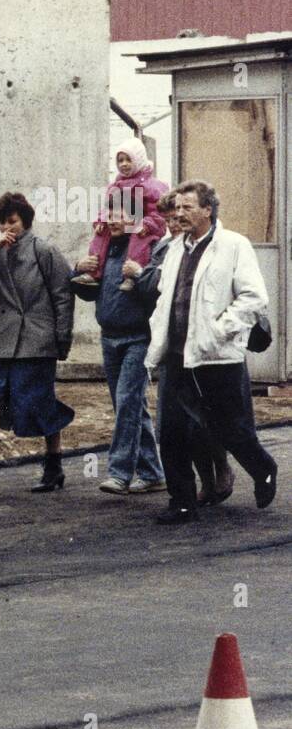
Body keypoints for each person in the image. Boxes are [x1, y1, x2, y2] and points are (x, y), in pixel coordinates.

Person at [142, 180, 276, 523]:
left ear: (207, 210)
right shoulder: (174, 248)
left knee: (230, 428)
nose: (180, 214)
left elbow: (254, 298)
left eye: (188, 208)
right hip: (177, 355)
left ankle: (263, 468)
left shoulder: (233, 245)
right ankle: (182, 502)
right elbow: (164, 297)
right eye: (178, 208)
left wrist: (219, 329)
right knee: (171, 432)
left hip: (216, 355)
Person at [0, 192, 75, 494]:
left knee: (40, 405)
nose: (7, 228)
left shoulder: (44, 250)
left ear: (24, 219)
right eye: (1, 223)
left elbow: (63, 296)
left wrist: (62, 340)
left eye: (12, 221)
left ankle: (54, 466)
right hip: (2, 340)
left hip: (37, 341)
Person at [132, 190, 234, 506]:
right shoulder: (166, 249)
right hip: (174, 349)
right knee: (173, 426)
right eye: (170, 220)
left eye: (180, 217)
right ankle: (191, 492)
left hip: (206, 350)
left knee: (204, 421)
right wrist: (145, 275)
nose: (175, 225)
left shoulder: (220, 246)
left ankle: (220, 470)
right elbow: (151, 290)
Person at [71, 195, 167, 494]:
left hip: (137, 338)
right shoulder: (103, 247)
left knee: (127, 402)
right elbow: (88, 293)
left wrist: (137, 276)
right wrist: (79, 269)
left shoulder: (146, 248)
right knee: (129, 406)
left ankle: (119, 473)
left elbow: (156, 291)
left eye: (120, 213)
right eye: (109, 212)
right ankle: (152, 472)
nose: (112, 219)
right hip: (108, 337)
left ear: (136, 218)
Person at [71, 137, 167, 291]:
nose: (124, 164)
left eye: (129, 159)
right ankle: (93, 271)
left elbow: (159, 211)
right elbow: (107, 209)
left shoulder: (152, 186)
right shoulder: (115, 186)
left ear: (139, 160)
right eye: (120, 160)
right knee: (100, 234)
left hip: (144, 228)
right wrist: (102, 221)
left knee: (138, 237)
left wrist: (147, 224)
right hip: (106, 312)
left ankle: (131, 275)